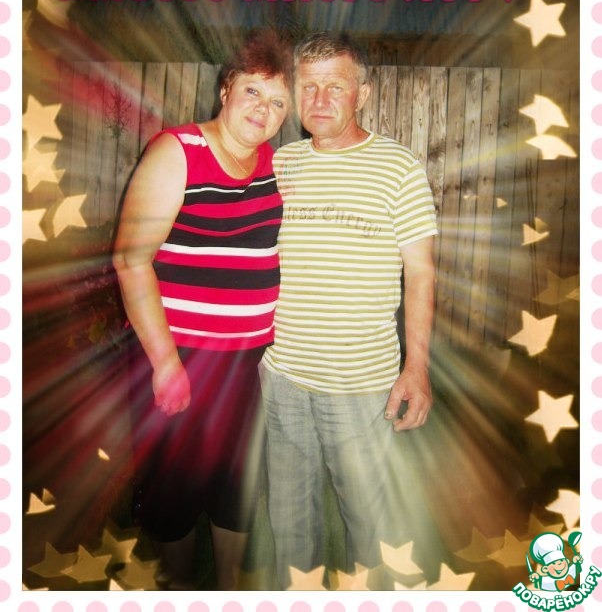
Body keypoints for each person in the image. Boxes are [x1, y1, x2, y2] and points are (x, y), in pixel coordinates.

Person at [112, 30, 293, 590]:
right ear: (225, 89)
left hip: (247, 361)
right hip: (179, 355)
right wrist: (167, 364)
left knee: (237, 486)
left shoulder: (275, 166)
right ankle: (180, 587)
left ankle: (231, 590)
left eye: (278, 103)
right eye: (253, 91)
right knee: (174, 489)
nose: (263, 110)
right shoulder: (177, 152)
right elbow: (130, 260)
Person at [260, 32, 438, 588]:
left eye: (334, 87)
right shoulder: (280, 164)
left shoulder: (398, 167)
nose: (318, 100)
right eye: (307, 87)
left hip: (361, 385)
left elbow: (421, 272)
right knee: (290, 526)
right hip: (283, 377)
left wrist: (416, 367)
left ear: (362, 94)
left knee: (370, 527)